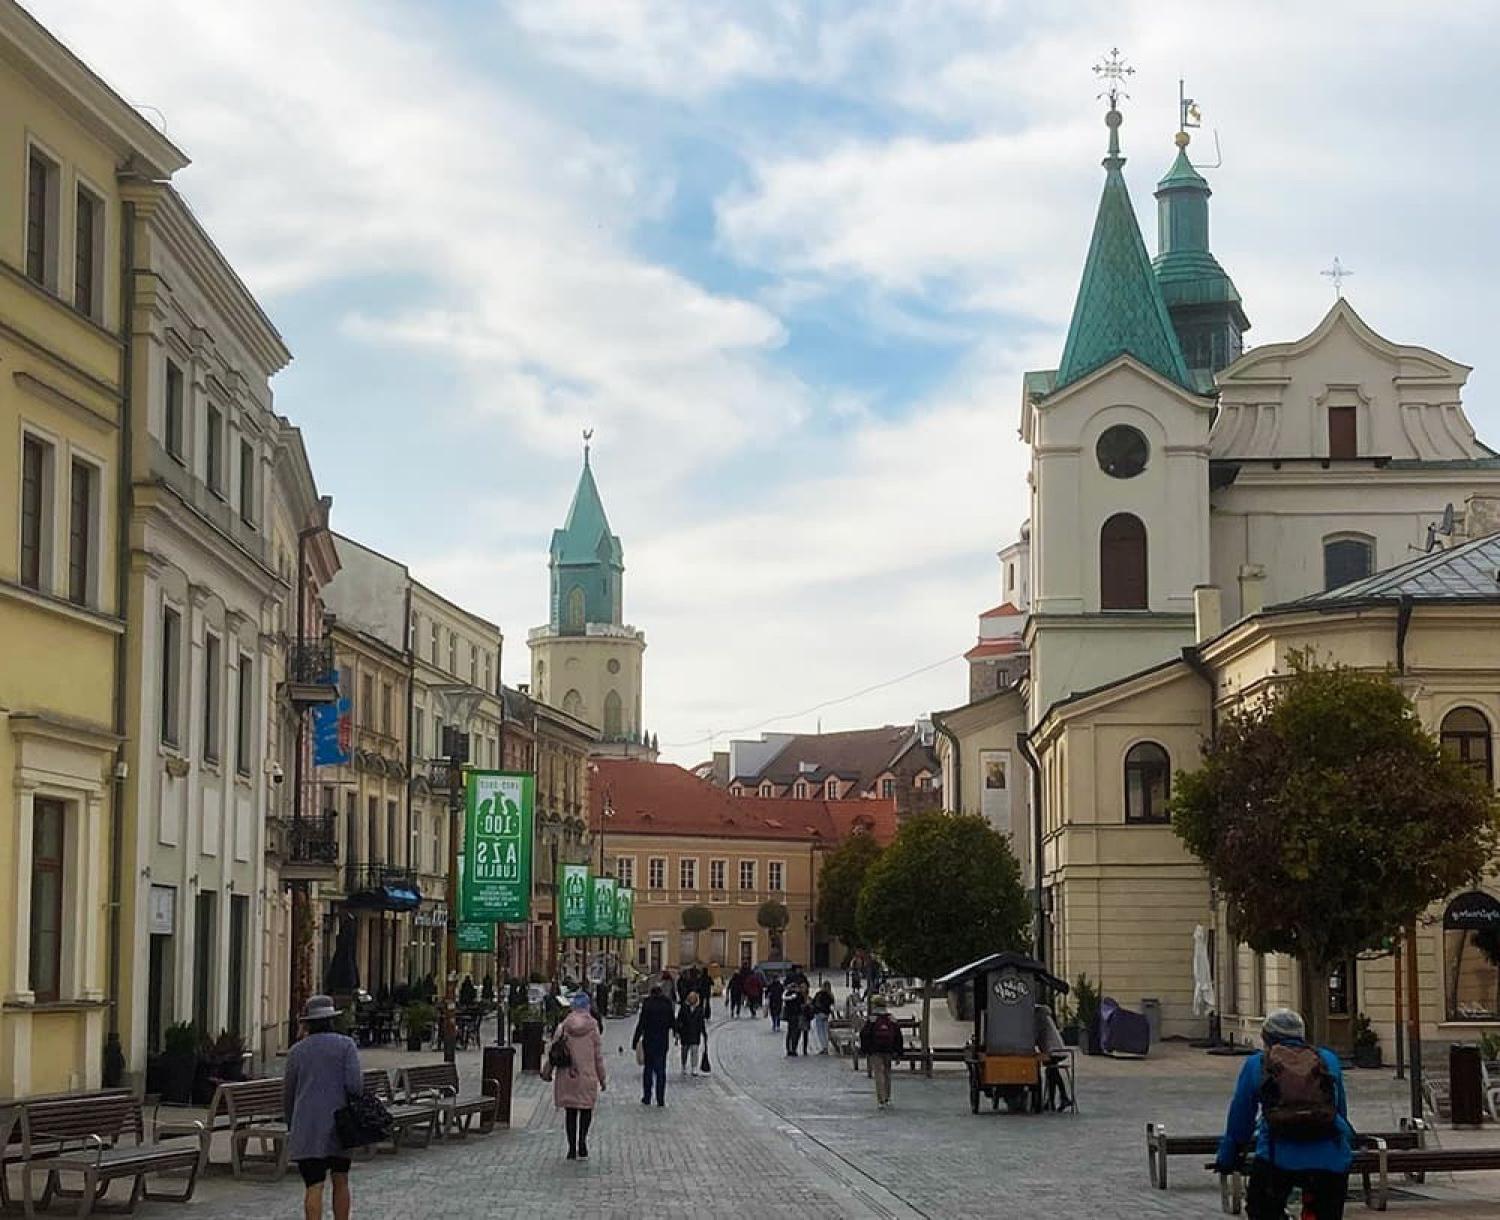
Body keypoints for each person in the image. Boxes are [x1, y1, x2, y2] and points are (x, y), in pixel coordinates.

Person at [1215, 1008, 1353, 1220]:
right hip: (1330, 1159)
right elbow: (1339, 1111)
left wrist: (1228, 1156)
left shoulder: (1258, 1063)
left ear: (1266, 1038)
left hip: (1276, 1157)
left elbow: (1241, 1118)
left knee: (1260, 1210)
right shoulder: (1328, 1060)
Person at [283, 995, 362, 1220]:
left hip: (307, 1127)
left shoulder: (296, 1052)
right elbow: (355, 1086)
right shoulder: (346, 1046)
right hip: (340, 1126)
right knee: (341, 1179)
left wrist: (292, 1124)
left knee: (314, 1186)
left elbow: (288, 1093)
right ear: (332, 1020)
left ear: (308, 1023)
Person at [542, 992, 607, 1160]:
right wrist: (602, 1078)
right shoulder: (593, 1028)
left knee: (570, 1112)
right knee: (586, 1110)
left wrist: (547, 1071)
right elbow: (598, 1056)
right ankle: (582, 1142)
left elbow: (553, 1051)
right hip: (587, 1075)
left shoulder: (563, 1026)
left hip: (567, 1075)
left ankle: (571, 1148)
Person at [633, 984, 676, 1107]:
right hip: (662, 1042)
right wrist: (676, 1032)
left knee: (648, 1069)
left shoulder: (648, 1004)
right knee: (661, 1071)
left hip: (649, 1041)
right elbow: (672, 1021)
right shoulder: (666, 1004)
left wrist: (635, 1039)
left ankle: (647, 1097)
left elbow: (641, 1023)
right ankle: (660, 1098)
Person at [859, 998, 904, 1109]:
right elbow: (898, 1036)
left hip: (875, 1050)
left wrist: (865, 1050)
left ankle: (881, 1100)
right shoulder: (891, 1018)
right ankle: (888, 1097)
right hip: (888, 1049)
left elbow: (864, 1034)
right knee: (887, 1073)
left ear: (875, 1005)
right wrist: (898, 1052)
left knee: (878, 1074)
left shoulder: (872, 1019)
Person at [1034, 1004, 1072, 1110]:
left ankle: (1060, 1098)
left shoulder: (1040, 1017)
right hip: (1055, 1048)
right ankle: (1054, 1100)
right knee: (1051, 1072)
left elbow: (1035, 1034)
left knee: (1051, 1071)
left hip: (1054, 1050)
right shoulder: (1045, 1016)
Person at [676, 990, 707, 1076]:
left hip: (695, 1033)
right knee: (684, 1050)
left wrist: (703, 1033)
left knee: (695, 1050)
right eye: (691, 998)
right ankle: (683, 1065)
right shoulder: (683, 1008)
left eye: (694, 998)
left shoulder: (700, 1009)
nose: (692, 1000)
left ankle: (694, 1067)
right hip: (685, 1032)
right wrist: (678, 1031)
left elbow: (701, 1022)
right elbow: (679, 1020)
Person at [811, 981, 835, 1055]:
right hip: (826, 1015)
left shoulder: (819, 994)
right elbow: (831, 1005)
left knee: (820, 1032)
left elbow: (814, 1003)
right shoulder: (830, 995)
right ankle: (826, 1047)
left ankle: (823, 1047)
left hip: (819, 1014)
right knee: (825, 1032)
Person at [782, 984, 806, 1056]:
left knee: (790, 1032)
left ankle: (789, 1049)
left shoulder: (786, 994)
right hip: (797, 1015)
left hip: (789, 1016)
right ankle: (794, 1048)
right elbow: (802, 1004)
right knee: (796, 1033)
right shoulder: (799, 995)